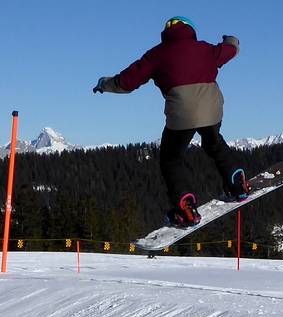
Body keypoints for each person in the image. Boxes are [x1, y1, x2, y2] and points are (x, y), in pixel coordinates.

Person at [94, 16, 251, 227]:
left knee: (171, 159)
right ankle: (237, 184)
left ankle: (185, 209)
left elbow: (127, 82)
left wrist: (104, 84)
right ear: (190, 30)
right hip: (213, 110)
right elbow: (231, 49)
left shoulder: (156, 54)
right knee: (215, 144)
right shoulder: (205, 49)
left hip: (181, 114)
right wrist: (230, 39)